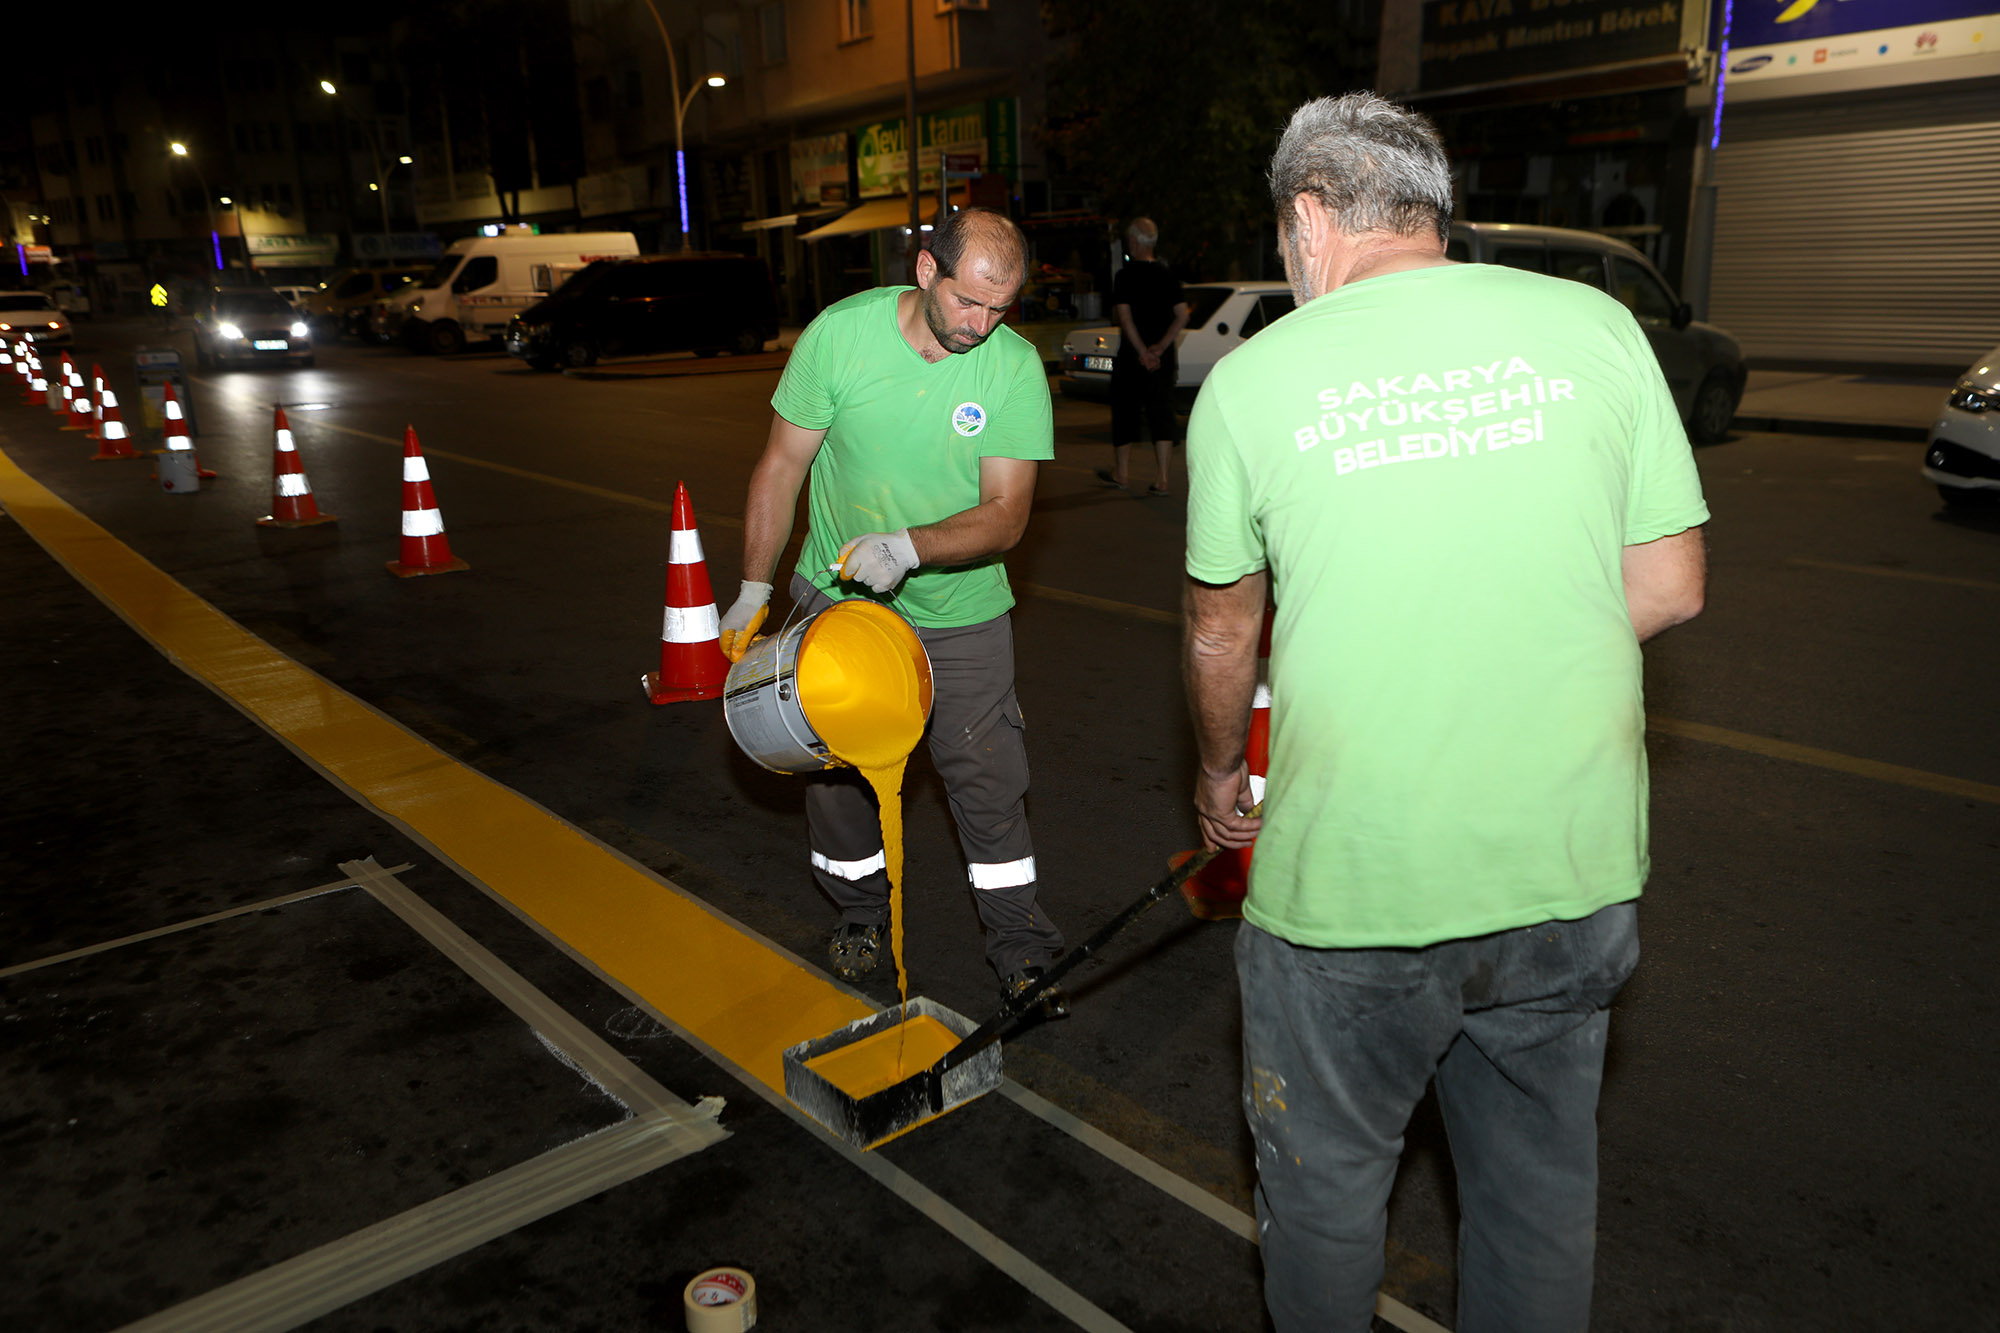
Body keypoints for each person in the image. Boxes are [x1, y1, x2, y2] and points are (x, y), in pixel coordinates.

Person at [1181, 93, 1708, 1333]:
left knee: (1322, 1215)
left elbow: (1220, 630)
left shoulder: (1253, 385)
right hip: (1565, 874)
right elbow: (1670, 587)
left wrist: (1218, 779)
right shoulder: (1594, 327)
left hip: (1353, 899)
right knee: (1533, 1207)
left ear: (1308, 219)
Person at [717, 207, 1068, 1016]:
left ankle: (1020, 949)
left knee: (987, 782)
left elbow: (1008, 512)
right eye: (968, 302)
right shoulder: (840, 338)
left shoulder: (1010, 370)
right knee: (836, 778)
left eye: (1001, 308)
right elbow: (780, 468)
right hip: (836, 604)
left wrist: (910, 546)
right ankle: (858, 915)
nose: (981, 325)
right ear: (924, 271)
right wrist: (754, 587)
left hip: (962, 610)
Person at [1097, 217, 1190, 496]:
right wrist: (1159, 348)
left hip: (1131, 357)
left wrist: (1141, 352)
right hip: (1162, 360)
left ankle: (1122, 473)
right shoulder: (1168, 274)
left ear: (1135, 242)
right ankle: (1162, 478)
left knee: (1125, 411)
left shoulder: (1124, 276)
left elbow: (1125, 319)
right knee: (1162, 412)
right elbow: (1182, 315)